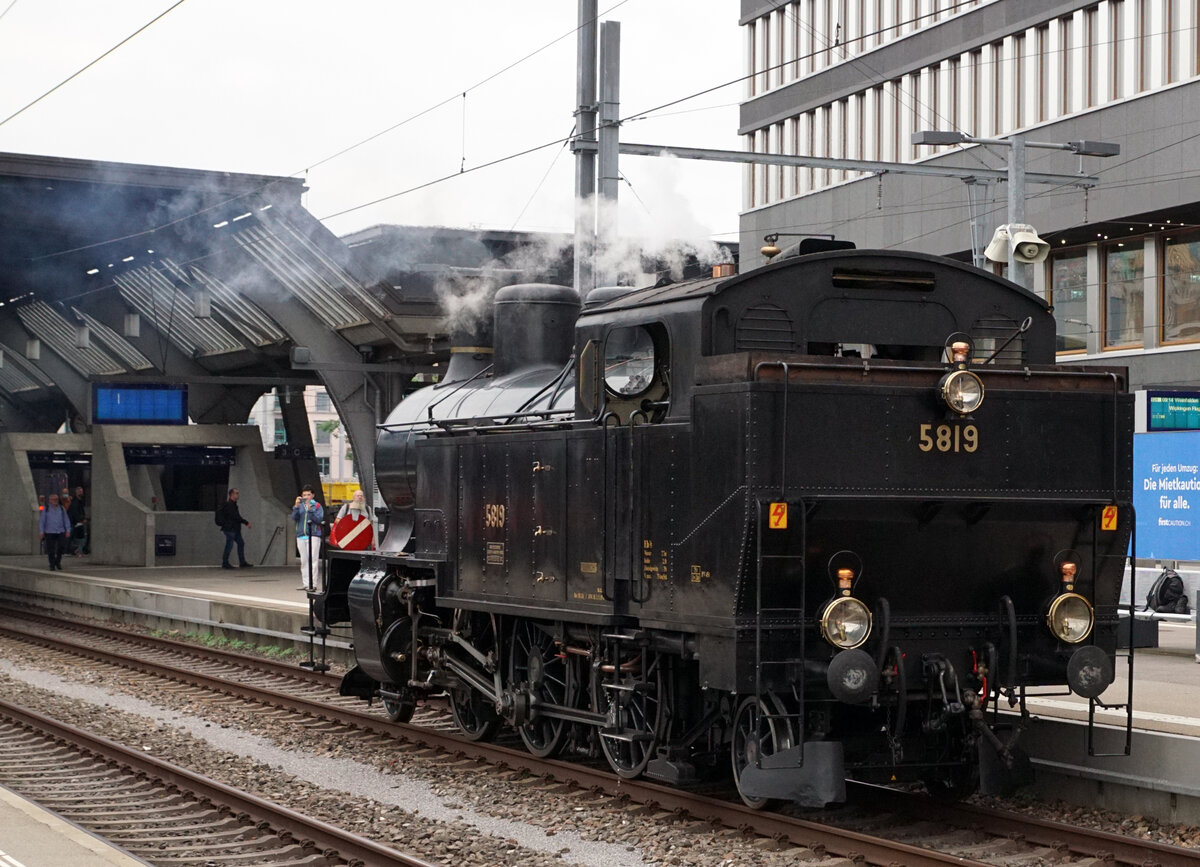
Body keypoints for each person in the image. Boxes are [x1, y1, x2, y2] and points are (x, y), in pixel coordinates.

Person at [291, 486, 324, 590]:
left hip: (313, 535)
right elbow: (294, 518)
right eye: (304, 495)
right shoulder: (300, 506)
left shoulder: (317, 506)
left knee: (313, 560)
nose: (306, 497)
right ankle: (305, 583)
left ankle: (313, 584)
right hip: (301, 535)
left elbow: (319, 519)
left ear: (313, 495)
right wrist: (296, 506)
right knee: (304, 560)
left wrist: (310, 510)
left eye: (308, 495)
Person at [215, 488, 253, 569]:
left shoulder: (233, 504)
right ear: (232, 494)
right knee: (229, 545)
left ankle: (242, 562)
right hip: (230, 528)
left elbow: (235, 517)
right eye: (236, 493)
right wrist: (246, 522)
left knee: (240, 543)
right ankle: (225, 563)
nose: (238, 495)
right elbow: (235, 517)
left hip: (234, 529)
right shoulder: (230, 505)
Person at [38, 492, 71, 571]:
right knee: (51, 549)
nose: (55, 501)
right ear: (50, 500)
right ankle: (52, 564)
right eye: (53, 499)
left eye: (56, 499)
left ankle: (57, 561)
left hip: (60, 531)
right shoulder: (46, 509)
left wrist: (68, 530)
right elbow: (42, 521)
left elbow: (66, 520)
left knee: (61, 547)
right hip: (49, 531)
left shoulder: (62, 508)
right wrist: (41, 532)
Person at [68, 486, 89, 555]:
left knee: (77, 537)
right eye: (80, 491)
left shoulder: (78, 501)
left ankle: (76, 550)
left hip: (76, 522)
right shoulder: (76, 502)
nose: (81, 493)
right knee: (79, 538)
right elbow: (75, 513)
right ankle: (76, 550)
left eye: (81, 491)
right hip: (76, 522)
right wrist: (81, 519)